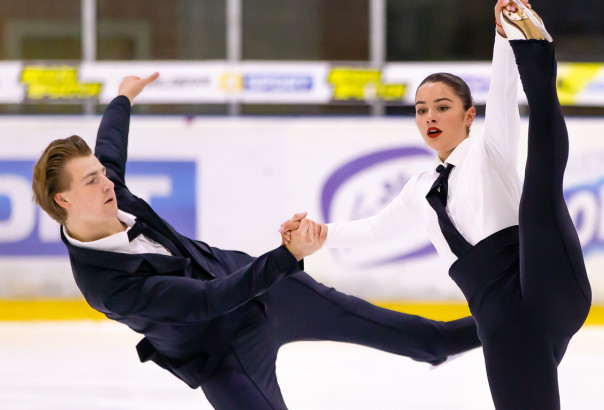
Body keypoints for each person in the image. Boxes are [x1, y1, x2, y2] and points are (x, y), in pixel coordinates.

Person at [31, 72, 482, 409]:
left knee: (428, 341)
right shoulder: (106, 285)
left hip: (265, 288)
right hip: (220, 351)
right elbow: (206, 302)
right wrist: (287, 256)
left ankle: (514, 317)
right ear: (64, 199)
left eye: (102, 175)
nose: (107, 183)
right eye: (92, 181)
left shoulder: (113, 193)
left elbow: (109, 146)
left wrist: (124, 95)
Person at [282, 0, 592, 408]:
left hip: (543, 277)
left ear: (468, 116)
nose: (430, 116)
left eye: (443, 108)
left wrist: (503, 35)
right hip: (501, 318)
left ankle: (536, 51)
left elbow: (502, 92)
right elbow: (377, 229)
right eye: (421, 110)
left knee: (541, 184)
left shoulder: (490, 151)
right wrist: (320, 235)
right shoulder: (419, 189)